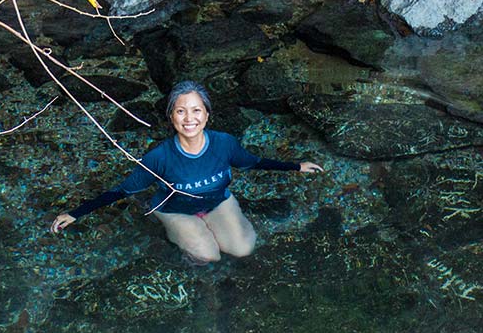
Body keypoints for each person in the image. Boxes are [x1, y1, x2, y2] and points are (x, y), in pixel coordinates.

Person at [50, 80, 323, 264]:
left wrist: (296, 166)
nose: (189, 118)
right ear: (171, 117)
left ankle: (211, 226)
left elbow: (253, 162)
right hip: (175, 210)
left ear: (206, 115)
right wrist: (75, 213)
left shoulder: (224, 143)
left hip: (217, 202)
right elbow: (123, 190)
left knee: (243, 250)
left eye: (196, 110)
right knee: (208, 257)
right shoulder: (158, 157)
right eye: (181, 111)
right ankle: (187, 240)